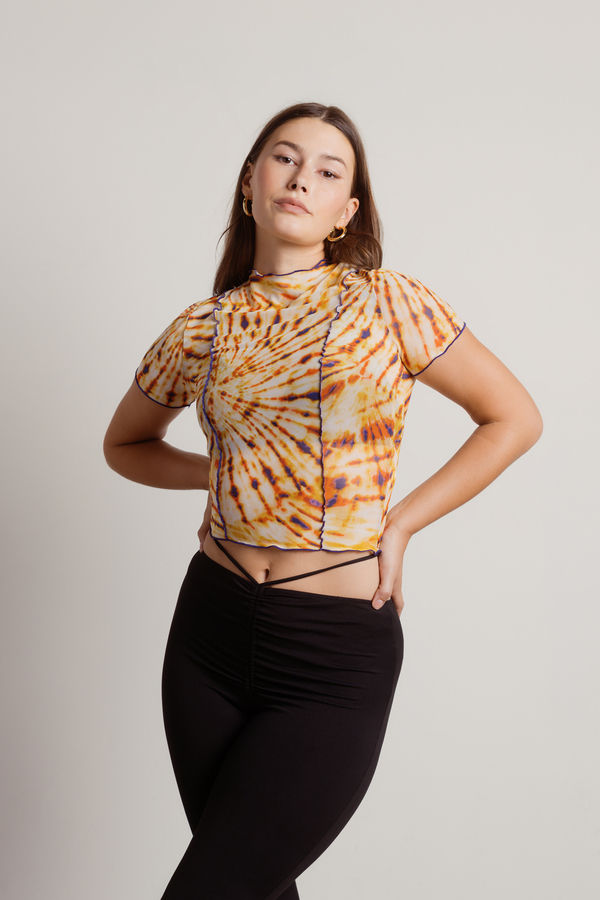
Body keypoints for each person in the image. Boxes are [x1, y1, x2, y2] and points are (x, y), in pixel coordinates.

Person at [103, 102, 543, 899]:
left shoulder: (389, 302)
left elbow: (513, 418)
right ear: (250, 183)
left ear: (347, 212)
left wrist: (402, 523)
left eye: (328, 170)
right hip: (207, 637)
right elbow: (124, 445)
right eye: (284, 158)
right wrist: (223, 474)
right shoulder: (203, 327)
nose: (302, 178)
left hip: (331, 654)